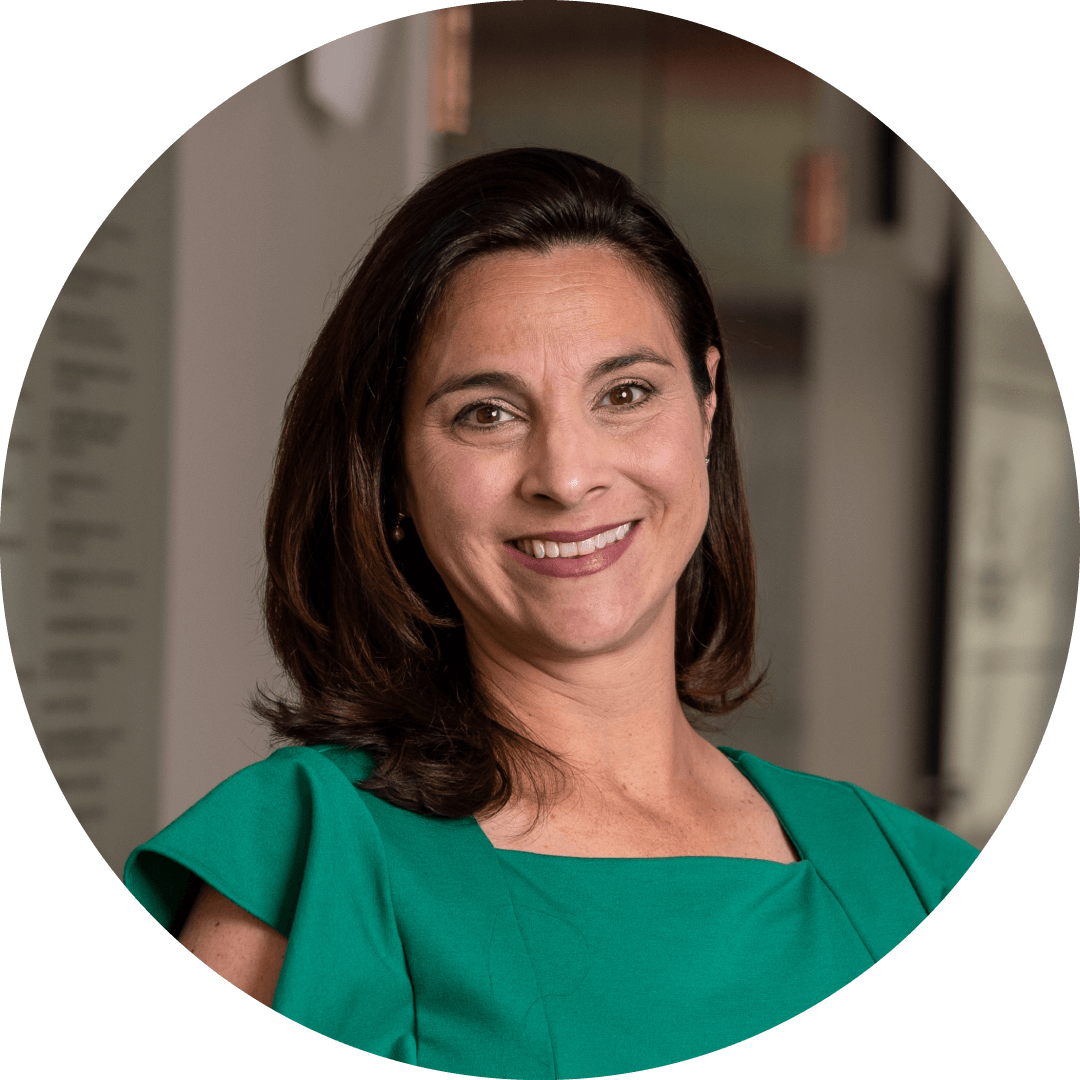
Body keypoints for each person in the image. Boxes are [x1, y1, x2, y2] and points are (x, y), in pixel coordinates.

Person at [125, 147, 979, 1074]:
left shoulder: (913, 877)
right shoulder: (313, 864)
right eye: (486, 413)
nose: (568, 477)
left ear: (706, 406)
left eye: (626, 393)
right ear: (394, 475)